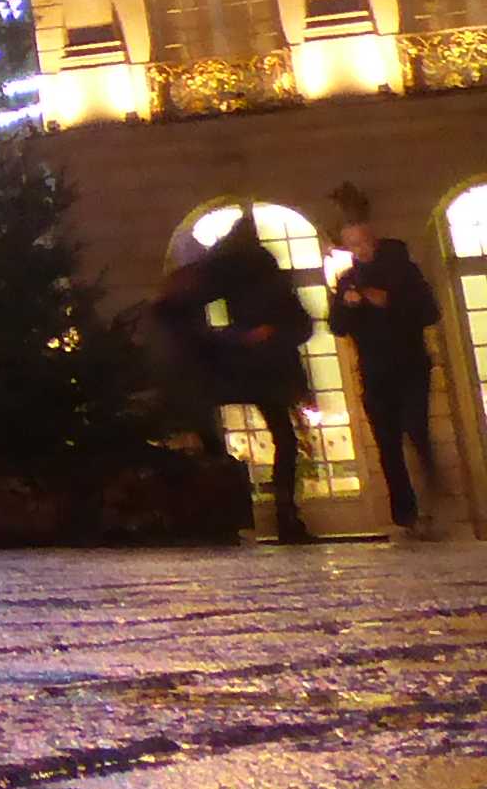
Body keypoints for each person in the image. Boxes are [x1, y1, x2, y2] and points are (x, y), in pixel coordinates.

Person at [154, 210, 315, 543]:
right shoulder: (256, 274)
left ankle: (239, 511)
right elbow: (299, 323)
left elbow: (184, 307)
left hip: (243, 367)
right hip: (259, 368)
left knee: (251, 432)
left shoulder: (229, 271)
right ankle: (282, 515)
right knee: (283, 438)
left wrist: (233, 337)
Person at [328, 188, 447, 535]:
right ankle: (406, 515)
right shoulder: (347, 279)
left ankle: (431, 495)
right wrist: (346, 306)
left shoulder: (403, 271)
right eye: (353, 247)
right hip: (374, 371)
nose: (359, 252)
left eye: (363, 244)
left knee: (415, 428)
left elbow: (430, 311)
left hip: (409, 365)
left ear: (373, 240)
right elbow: (336, 326)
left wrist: (390, 302)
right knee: (387, 444)